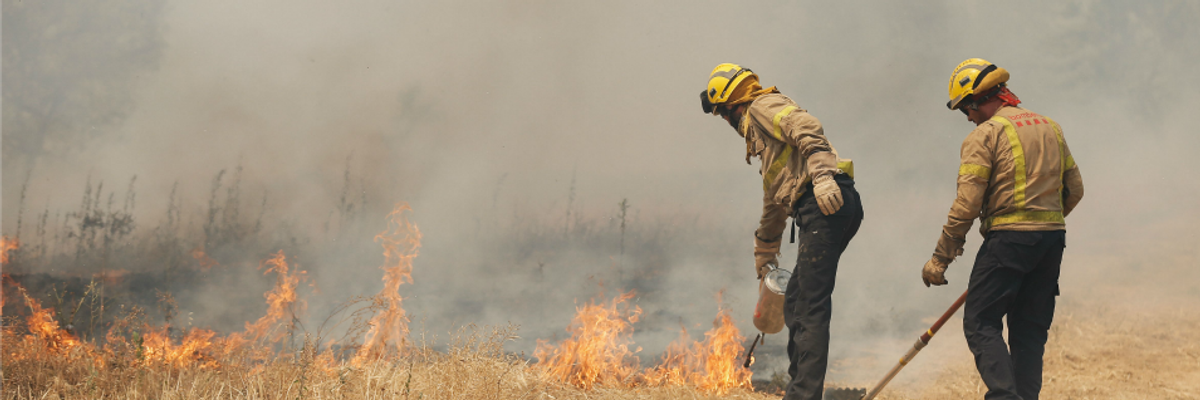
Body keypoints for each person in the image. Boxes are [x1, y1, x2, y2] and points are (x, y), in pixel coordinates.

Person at [922, 58, 1084, 400]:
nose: (968, 117)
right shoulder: (1050, 126)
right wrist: (1045, 222)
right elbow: (1076, 190)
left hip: (1008, 241)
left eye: (966, 108)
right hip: (1052, 241)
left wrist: (940, 259)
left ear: (981, 99)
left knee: (980, 322)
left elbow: (966, 206)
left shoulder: (985, 135)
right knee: (1029, 329)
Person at [700, 63, 863, 400]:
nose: (725, 123)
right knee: (796, 300)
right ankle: (799, 388)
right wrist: (765, 255)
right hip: (826, 206)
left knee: (809, 304)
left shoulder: (762, 106)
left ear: (732, 105)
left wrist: (820, 175)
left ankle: (803, 395)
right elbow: (774, 203)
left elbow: (806, 126)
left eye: (722, 114)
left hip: (824, 202)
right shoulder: (764, 145)